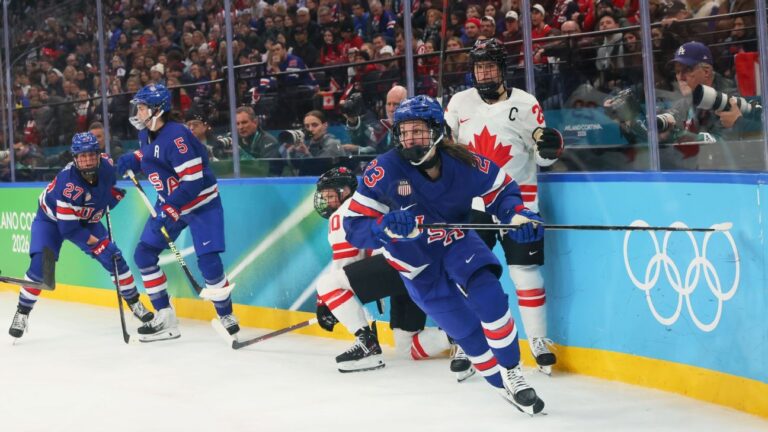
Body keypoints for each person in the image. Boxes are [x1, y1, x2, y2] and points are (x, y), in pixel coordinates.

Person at [343, 95, 546, 415]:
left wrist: (516, 214)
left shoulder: (464, 163)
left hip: (456, 243)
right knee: (465, 331)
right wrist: (383, 226)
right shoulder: (382, 170)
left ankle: (513, 372)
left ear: (437, 130)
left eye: (418, 130)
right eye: (404, 131)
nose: (410, 138)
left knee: (490, 296)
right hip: (414, 265)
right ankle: (499, 383)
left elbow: (503, 191)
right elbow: (353, 226)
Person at [444, 39, 563, 375]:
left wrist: (550, 149)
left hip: (519, 201)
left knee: (524, 272)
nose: (483, 73)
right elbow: (445, 148)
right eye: (478, 67)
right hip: (474, 202)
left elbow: (541, 155)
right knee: (467, 273)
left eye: (489, 66)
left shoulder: (526, 104)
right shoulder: (458, 102)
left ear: (502, 69)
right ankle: (467, 343)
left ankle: (538, 340)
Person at [313, 167, 473, 379]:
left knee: (326, 284)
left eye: (331, 196)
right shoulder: (375, 200)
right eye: (324, 197)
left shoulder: (343, 213)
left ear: (346, 192)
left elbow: (346, 263)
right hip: (416, 267)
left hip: (397, 264)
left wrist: (325, 301)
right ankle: (462, 337)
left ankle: (366, 346)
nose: (327, 202)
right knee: (407, 347)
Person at [116, 84, 239, 342]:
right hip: (170, 203)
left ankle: (226, 314)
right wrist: (135, 158)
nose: (138, 112)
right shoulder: (146, 132)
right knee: (144, 254)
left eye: (142, 107)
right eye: (137, 107)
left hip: (201, 203)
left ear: (158, 109)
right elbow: (150, 154)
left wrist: (172, 206)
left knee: (208, 261)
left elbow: (193, 181)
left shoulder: (178, 137)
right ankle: (165, 317)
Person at [8, 132, 154, 339]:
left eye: (91, 155)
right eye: (82, 156)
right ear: (74, 158)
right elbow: (70, 230)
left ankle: (135, 303)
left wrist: (110, 194)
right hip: (50, 221)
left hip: (86, 219)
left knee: (115, 259)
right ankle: (22, 313)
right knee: (41, 267)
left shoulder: (106, 166)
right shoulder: (68, 186)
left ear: (98, 154)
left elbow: (113, 178)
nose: (87, 160)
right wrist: (98, 244)